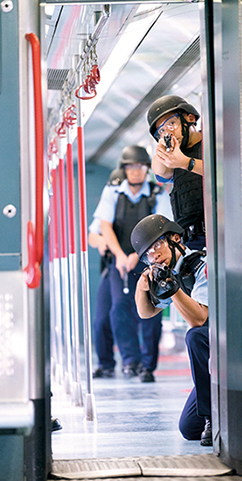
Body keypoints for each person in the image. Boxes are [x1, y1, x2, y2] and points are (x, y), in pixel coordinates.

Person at [93, 146, 173, 382]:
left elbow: (162, 229)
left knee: (151, 313)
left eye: (139, 166)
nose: (135, 171)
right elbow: (104, 226)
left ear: (147, 168)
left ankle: (147, 366)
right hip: (119, 262)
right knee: (118, 309)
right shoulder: (113, 193)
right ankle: (131, 361)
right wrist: (119, 254)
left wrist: (137, 257)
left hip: (149, 260)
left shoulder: (157, 194)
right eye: (130, 167)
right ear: (124, 169)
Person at [131, 214, 212, 446]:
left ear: (176, 239)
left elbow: (199, 320)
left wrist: (173, 289)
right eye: (148, 253)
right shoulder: (169, 271)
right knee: (188, 428)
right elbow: (146, 312)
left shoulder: (201, 266)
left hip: (231, 345)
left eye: (157, 245)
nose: (154, 254)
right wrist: (142, 289)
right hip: (212, 359)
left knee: (195, 336)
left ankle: (211, 418)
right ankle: (211, 411)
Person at [147, 95, 205, 250]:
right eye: (161, 131)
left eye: (171, 123)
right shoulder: (174, 157)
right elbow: (160, 172)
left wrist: (186, 163)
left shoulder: (212, 141)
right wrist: (163, 150)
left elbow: (223, 171)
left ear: (190, 118)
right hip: (192, 245)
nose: (168, 132)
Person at [88, 168, 126, 379]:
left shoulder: (145, 201)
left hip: (135, 265)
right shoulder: (108, 207)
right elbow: (92, 235)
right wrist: (104, 242)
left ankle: (135, 363)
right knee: (102, 319)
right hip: (112, 267)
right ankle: (106, 363)